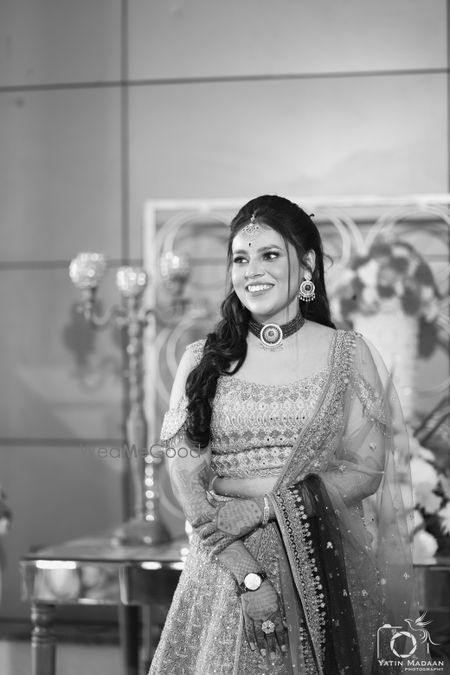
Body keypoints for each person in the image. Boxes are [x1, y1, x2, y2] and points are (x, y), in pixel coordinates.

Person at [149, 195, 420, 675]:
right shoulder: (201, 359)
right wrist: (250, 579)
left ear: (307, 264)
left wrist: (267, 507)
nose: (252, 271)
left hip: (325, 564)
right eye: (240, 258)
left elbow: (366, 471)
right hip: (226, 572)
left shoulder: (348, 354)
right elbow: (188, 485)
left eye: (270, 255)